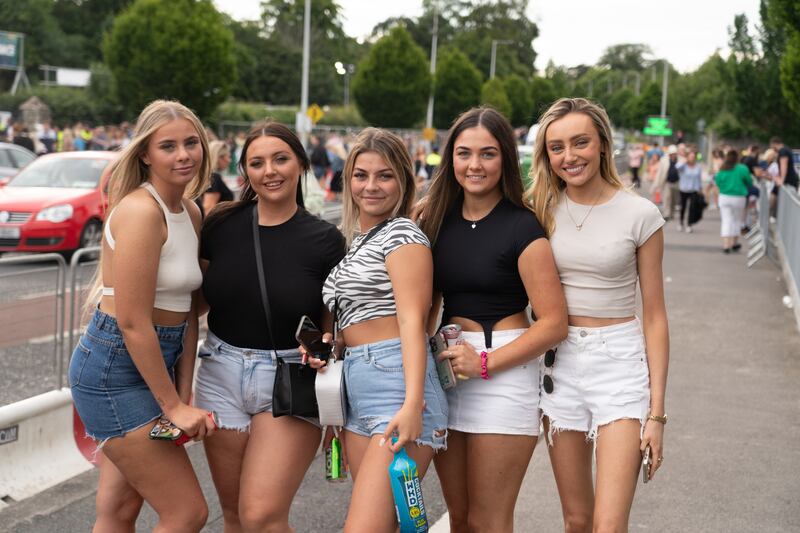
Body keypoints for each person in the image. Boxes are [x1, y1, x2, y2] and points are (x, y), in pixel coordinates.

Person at [417, 106, 568, 532]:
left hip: (503, 372)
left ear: (504, 158)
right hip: (449, 372)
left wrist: (485, 363)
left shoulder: (523, 227)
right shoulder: (435, 220)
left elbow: (554, 322)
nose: (474, 165)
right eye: (464, 154)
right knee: (460, 519)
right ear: (450, 159)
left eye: (487, 154)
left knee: (489, 520)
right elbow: (424, 304)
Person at [68, 100, 216, 532]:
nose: (184, 154)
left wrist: (182, 395)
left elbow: (188, 314)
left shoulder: (189, 211)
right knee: (187, 513)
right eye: (168, 146)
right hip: (115, 369)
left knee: (118, 511)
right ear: (146, 154)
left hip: (155, 363)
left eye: (191, 142)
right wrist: (171, 403)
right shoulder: (141, 211)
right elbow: (133, 323)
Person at [194, 121, 345, 532]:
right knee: (235, 517)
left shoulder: (325, 239)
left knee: (261, 515)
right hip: (220, 373)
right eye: (257, 163)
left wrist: (326, 349)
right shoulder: (220, 226)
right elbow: (195, 300)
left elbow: (332, 326)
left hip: (289, 380)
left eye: (280, 159)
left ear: (300, 163)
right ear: (245, 171)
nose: (270, 171)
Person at [528, 98, 670, 532]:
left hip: (620, 365)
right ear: (546, 156)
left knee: (608, 524)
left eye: (580, 143)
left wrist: (657, 415)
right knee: (576, 519)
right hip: (559, 363)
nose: (569, 156)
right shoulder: (537, 210)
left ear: (603, 145)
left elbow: (655, 316)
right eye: (557, 148)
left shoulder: (640, 214)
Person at [321, 128, 449, 532]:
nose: (370, 186)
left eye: (384, 176)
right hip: (359, 383)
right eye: (361, 175)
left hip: (397, 384)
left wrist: (412, 404)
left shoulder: (404, 235)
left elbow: (413, 321)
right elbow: (366, 314)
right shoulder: (360, 241)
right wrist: (333, 341)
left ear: (404, 182)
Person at [714, 149, 752, 254]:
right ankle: (734, 243)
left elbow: (717, 182)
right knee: (736, 220)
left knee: (726, 220)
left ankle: (726, 244)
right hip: (739, 197)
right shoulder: (742, 168)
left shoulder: (722, 168)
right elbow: (749, 181)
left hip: (724, 196)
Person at [198, 140, 234, 216]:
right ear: (219, 157)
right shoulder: (213, 178)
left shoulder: (208, 176)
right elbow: (208, 208)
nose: (229, 161)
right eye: (228, 156)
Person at [676, 148, 703, 233]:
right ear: (687, 157)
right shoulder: (683, 166)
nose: (692, 158)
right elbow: (677, 167)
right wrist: (684, 161)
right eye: (690, 156)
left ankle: (689, 224)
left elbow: (699, 178)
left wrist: (700, 188)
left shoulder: (698, 166)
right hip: (684, 189)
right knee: (683, 207)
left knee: (692, 208)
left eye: (693, 157)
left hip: (693, 190)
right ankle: (681, 223)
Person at [654, 144, 680, 221]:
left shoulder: (680, 160)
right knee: (667, 198)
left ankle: (672, 213)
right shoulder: (664, 160)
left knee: (674, 199)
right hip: (667, 182)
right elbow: (660, 172)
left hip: (677, 182)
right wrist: (657, 183)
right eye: (672, 154)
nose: (673, 155)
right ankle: (666, 214)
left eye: (674, 154)